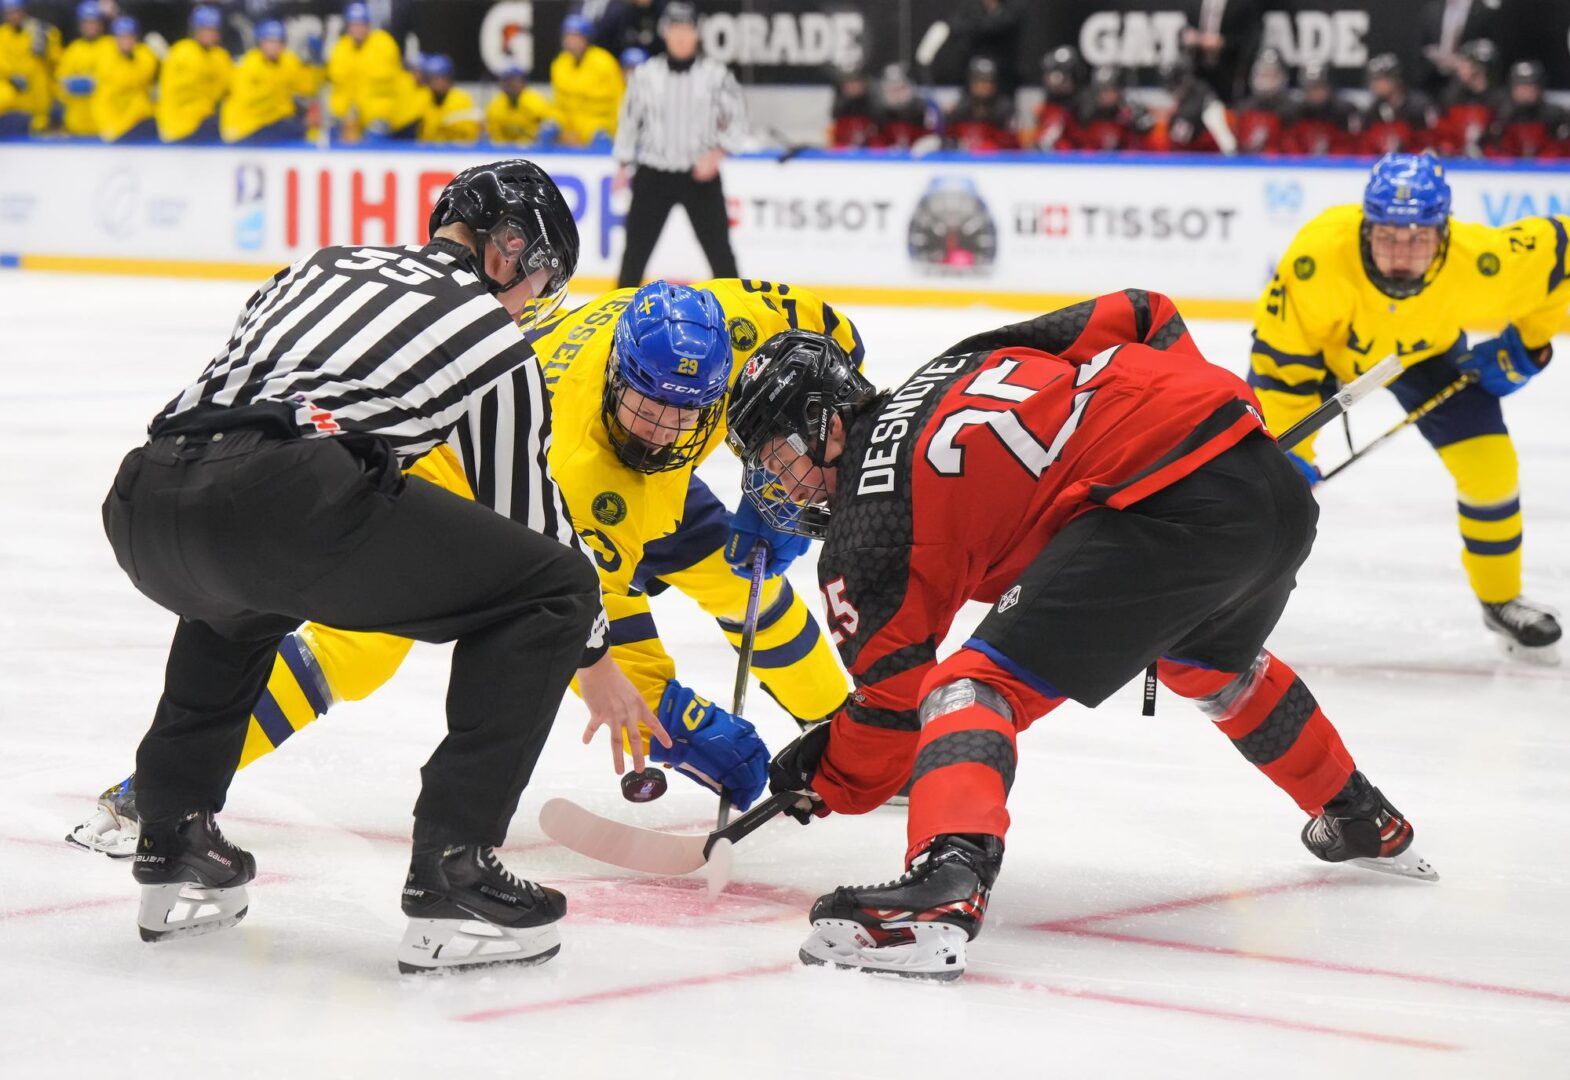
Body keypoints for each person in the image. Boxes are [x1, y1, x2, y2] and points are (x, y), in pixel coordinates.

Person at [725, 295, 1431, 981]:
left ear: (826, 422)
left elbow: (894, 705)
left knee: (968, 689)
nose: (774, 483)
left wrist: (823, 777)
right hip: (1265, 482)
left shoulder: (863, 531)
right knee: (1209, 665)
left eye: (775, 456)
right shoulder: (954, 361)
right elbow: (1145, 311)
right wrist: (1192, 414)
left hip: (1168, 511)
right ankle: (1359, 814)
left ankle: (946, 882)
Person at [69, 276, 858, 859]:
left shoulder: (717, 320)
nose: (664, 428)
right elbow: (587, 612)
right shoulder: (586, 473)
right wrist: (672, 720)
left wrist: (773, 455)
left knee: (739, 575)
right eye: (650, 407)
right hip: (478, 468)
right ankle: (158, 793)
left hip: (612, 461)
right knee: (361, 648)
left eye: (686, 411)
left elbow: (832, 343)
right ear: (622, 379)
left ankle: (842, 723)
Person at [98, 160, 649, 975]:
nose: (531, 302)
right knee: (554, 590)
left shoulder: (323, 263)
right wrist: (596, 654)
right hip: (282, 500)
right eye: (536, 279)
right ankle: (452, 869)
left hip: (146, 496)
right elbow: (525, 515)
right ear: (507, 249)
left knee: (240, 597)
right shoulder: (494, 337)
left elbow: (253, 387)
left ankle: (174, 830)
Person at [1248, 153, 1561, 661]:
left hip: (1424, 355)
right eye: (1388, 235)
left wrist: (1528, 346)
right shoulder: (1318, 257)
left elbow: (1560, 259)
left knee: (1491, 468)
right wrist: (1291, 455)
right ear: (1367, 227)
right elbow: (1283, 365)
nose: (1401, 253)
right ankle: (1219, 604)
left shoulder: (1483, 259)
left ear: (1445, 233)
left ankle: (1501, 598)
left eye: (1418, 237)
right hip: (1323, 359)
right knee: (1261, 481)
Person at [612, 2, 746, 288]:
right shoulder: (646, 75)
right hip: (653, 174)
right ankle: (616, 322)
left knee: (721, 256)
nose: (681, 36)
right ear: (665, 33)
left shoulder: (717, 75)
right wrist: (623, 164)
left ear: (697, 34)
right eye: (675, 29)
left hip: (699, 177)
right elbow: (628, 120)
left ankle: (740, 319)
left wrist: (718, 153)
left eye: (687, 29)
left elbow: (739, 120)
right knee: (633, 256)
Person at [221, 19, 318, 144]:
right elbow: (247, 100)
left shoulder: (288, 61)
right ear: (261, 42)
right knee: (295, 127)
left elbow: (309, 87)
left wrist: (315, 61)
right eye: (269, 41)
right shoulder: (248, 64)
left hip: (272, 121)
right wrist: (280, 100)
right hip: (246, 125)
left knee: (308, 126)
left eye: (278, 42)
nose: (274, 46)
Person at [156, 5, 231, 143]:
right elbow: (171, 90)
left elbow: (227, 89)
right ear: (195, 30)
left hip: (204, 121)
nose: (210, 34)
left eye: (213, 30)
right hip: (180, 123)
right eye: (205, 29)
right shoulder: (180, 52)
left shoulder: (220, 56)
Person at [326, 1, 401, 140]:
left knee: (374, 139)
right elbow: (340, 87)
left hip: (381, 113)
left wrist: (383, 115)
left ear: (368, 25)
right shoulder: (341, 48)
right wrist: (339, 115)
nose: (357, 29)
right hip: (352, 115)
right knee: (333, 136)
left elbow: (392, 85)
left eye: (361, 24)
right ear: (348, 27)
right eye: (353, 25)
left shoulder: (384, 44)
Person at [551, 11, 622, 147]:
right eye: (568, 36)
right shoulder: (559, 64)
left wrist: (614, 131)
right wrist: (558, 126)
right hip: (570, 131)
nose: (571, 41)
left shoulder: (605, 62)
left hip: (599, 129)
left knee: (602, 139)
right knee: (548, 130)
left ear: (586, 39)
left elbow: (619, 101)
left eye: (576, 37)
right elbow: (558, 106)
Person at [1487, 60, 1570, 159]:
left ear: (1539, 88)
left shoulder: (1556, 117)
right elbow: (1492, 154)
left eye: (1530, 86)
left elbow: (1562, 154)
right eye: (1520, 86)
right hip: (1510, 172)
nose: (1525, 92)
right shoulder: (1500, 117)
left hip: (1548, 171)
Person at [92, 14, 155, 142]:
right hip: (112, 119)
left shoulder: (145, 56)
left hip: (138, 121)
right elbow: (104, 96)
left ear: (136, 37)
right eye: (121, 36)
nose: (126, 41)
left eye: (129, 36)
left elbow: (137, 80)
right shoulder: (105, 57)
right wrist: (110, 129)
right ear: (115, 38)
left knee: (141, 104)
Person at [1433, 39, 1501, 158]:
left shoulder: (1499, 102)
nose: (1458, 67)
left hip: (1491, 170)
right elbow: (1442, 136)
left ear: (1478, 68)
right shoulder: (1450, 98)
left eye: (1464, 62)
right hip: (1458, 167)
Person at [1356, 55, 1436, 156]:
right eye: (1373, 80)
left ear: (1395, 80)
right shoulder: (1372, 111)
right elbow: (1365, 148)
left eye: (1379, 79)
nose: (1374, 85)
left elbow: (1429, 145)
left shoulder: (1418, 108)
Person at [1155, 54, 1235, 153]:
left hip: (1210, 147)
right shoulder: (1180, 106)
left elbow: (1192, 113)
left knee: (1213, 114)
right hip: (1188, 151)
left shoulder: (1201, 90)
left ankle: (1231, 156)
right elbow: (1179, 137)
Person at [0, 0, 59, 134]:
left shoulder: (39, 30)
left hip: (36, 100)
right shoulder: (2, 35)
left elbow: (55, 63)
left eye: (15, 11)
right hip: (9, 98)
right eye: (9, 12)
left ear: (23, 11)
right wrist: (10, 77)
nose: (13, 16)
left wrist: (48, 44)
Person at [54, 1, 109, 137]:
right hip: (76, 124)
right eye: (86, 23)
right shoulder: (73, 50)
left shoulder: (111, 46)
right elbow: (60, 83)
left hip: (104, 123)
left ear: (101, 24)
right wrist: (70, 86)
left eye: (93, 22)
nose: (90, 27)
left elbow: (117, 77)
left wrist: (98, 83)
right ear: (80, 25)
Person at [1282, 62, 1356, 156]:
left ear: (1329, 88)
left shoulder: (1342, 114)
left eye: (1320, 88)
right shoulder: (1294, 114)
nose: (1315, 93)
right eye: (1311, 88)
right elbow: (1290, 146)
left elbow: (1347, 148)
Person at [942, 56, 1013, 152]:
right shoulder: (959, 109)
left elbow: (1015, 149)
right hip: (966, 163)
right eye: (979, 81)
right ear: (971, 83)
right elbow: (948, 142)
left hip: (996, 163)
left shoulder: (1005, 111)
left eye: (988, 81)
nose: (983, 86)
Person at [1075, 65, 1153, 151]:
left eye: (1108, 89)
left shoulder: (1131, 112)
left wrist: (1136, 124)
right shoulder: (1085, 112)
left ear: (1119, 90)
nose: (1104, 95)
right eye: (1100, 90)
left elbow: (1145, 139)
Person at [1233, 47, 1290, 154]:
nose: (1267, 82)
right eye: (1263, 75)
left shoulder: (1290, 111)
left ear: (1282, 78)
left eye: (1272, 76)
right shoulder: (1242, 110)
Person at [1027, 46, 1083, 151]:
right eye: (1051, 75)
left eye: (1063, 76)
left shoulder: (1083, 108)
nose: (1055, 82)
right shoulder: (1045, 106)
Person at [415, 53, 479, 144]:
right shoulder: (423, 97)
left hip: (457, 152)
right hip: (429, 153)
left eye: (439, 78)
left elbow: (471, 135)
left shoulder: (461, 99)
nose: (436, 82)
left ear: (448, 78)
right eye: (431, 78)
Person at [485, 63, 552, 145]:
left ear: (523, 83)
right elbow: (495, 137)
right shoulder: (495, 106)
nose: (509, 85)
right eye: (505, 80)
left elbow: (546, 132)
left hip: (533, 150)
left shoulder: (536, 103)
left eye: (513, 81)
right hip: (505, 151)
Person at [871, 63, 933, 150]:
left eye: (902, 88)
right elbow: (874, 142)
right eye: (894, 90)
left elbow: (934, 138)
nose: (899, 94)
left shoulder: (922, 110)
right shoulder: (878, 114)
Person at [827, 65, 876, 149]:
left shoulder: (872, 106)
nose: (853, 87)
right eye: (849, 84)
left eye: (856, 83)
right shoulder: (840, 107)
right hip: (843, 148)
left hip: (868, 149)